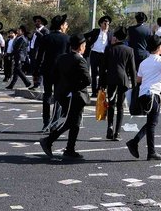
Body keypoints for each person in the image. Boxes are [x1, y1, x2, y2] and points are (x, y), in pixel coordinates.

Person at [127, 36, 161, 161]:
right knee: (152, 124)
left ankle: (135, 142)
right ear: (158, 48)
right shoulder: (160, 61)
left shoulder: (144, 62)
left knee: (151, 122)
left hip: (143, 94)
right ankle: (150, 151)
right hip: (153, 95)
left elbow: (139, 79)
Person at [41, 32, 93, 160]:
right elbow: (88, 80)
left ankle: (70, 148)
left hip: (63, 94)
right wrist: (74, 86)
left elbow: (54, 75)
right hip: (76, 95)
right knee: (72, 122)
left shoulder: (62, 57)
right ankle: (49, 140)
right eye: (84, 45)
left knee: (74, 122)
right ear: (81, 46)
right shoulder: (80, 60)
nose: (85, 47)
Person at [102, 28, 136, 141]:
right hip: (123, 80)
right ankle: (117, 132)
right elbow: (132, 70)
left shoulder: (109, 49)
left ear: (116, 37)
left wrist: (101, 84)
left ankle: (110, 126)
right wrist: (135, 85)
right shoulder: (129, 50)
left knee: (111, 103)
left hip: (110, 79)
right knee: (120, 106)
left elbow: (103, 68)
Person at [38, 16, 71, 127]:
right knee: (58, 97)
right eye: (65, 24)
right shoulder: (67, 39)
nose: (67, 27)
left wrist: (36, 72)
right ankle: (54, 122)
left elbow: (39, 56)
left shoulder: (46, 38)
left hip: (47, 70)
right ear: (61, 26)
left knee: (47, 96)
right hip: (61, 72)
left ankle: (45, 121)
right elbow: (70, 56)